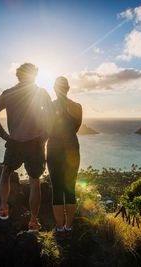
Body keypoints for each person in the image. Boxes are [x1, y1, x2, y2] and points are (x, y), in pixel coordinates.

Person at [0, 63, 52, 232]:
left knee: (6, 172)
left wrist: (3, 135)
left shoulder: (9, 93)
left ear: (18, 75)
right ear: (34, 75)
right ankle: (33, 221)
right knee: (34, 181)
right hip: (35, 143)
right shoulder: (41, 93)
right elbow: (51, 116)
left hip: (15, 142)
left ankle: (3, 206)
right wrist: (44, 135)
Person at [47, 76, 82, 236]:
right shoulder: (77, 107)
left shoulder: (49, 108)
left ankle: (59, 227)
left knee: (57, 189)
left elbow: (45, 129)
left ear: (54, 89)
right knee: (69, 189)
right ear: (68, 88)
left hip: (54, 149)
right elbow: (76, 127)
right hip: (72, 150)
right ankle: (69, 226)